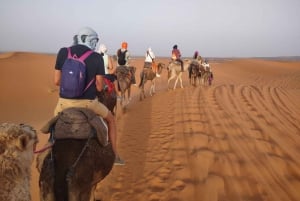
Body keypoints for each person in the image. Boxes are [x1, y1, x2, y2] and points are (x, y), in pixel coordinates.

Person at [53, 27, 124, 165]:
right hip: (88, 103)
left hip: (63, 104)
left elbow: (56, 81)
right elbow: (99, 86)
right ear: (86, 39)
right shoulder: (96, 57)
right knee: (111, 120)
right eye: (95, 40)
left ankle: (47, 153)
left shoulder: (63, 52)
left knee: (52, 128)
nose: (95, 43)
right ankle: (115, 156)